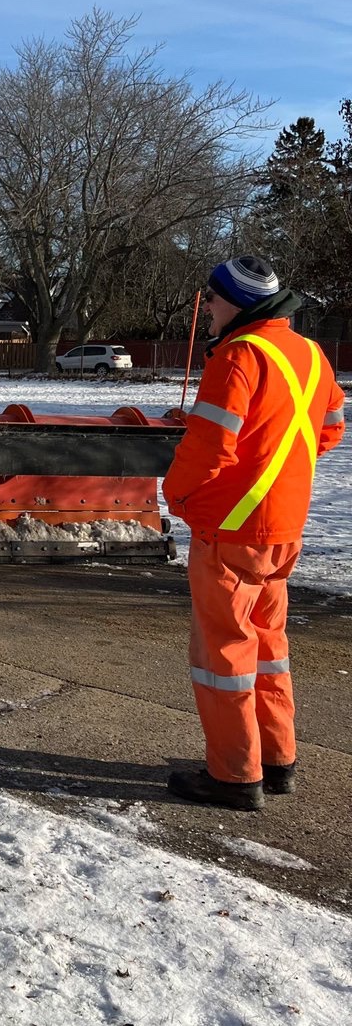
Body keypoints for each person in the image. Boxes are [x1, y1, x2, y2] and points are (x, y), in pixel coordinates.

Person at [163, 256, 344, 811]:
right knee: (268, 648)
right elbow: (329, 428)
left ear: (235, 304)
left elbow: (210, 448)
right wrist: (274, 468)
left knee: (224, 654)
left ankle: (234, 775)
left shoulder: (238, 356)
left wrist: (179, 498)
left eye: (212, 300)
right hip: (283, 527)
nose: (209, 309)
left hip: (229, 529)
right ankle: (277, 759)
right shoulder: (311, 354)